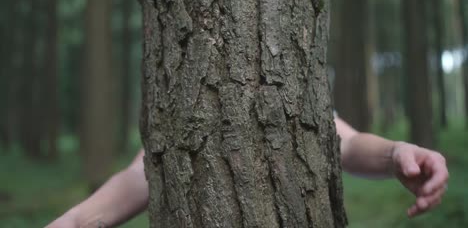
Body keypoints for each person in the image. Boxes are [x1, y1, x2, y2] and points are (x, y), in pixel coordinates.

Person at [46, 117, 449, 227]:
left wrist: (397, 152)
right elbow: (149, 171)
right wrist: (77, 219)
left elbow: (344, 141)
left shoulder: (293, 88)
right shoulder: (179, 95)